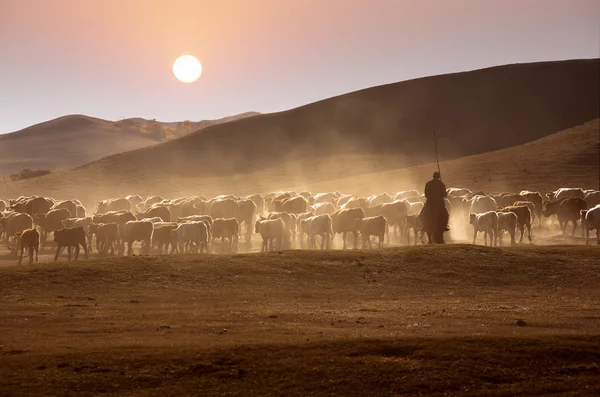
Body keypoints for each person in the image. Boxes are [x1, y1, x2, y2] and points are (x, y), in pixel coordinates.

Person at [423, 171, 450, 242]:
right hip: (439, 204)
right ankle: (445, 225)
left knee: (422, 214)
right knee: (446, 214)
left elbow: (425, 194)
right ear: (439, 177)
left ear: (433, 176)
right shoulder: (441, 184)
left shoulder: (428, 183)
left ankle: (424, 225)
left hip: (430, 203)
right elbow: (444, 195)